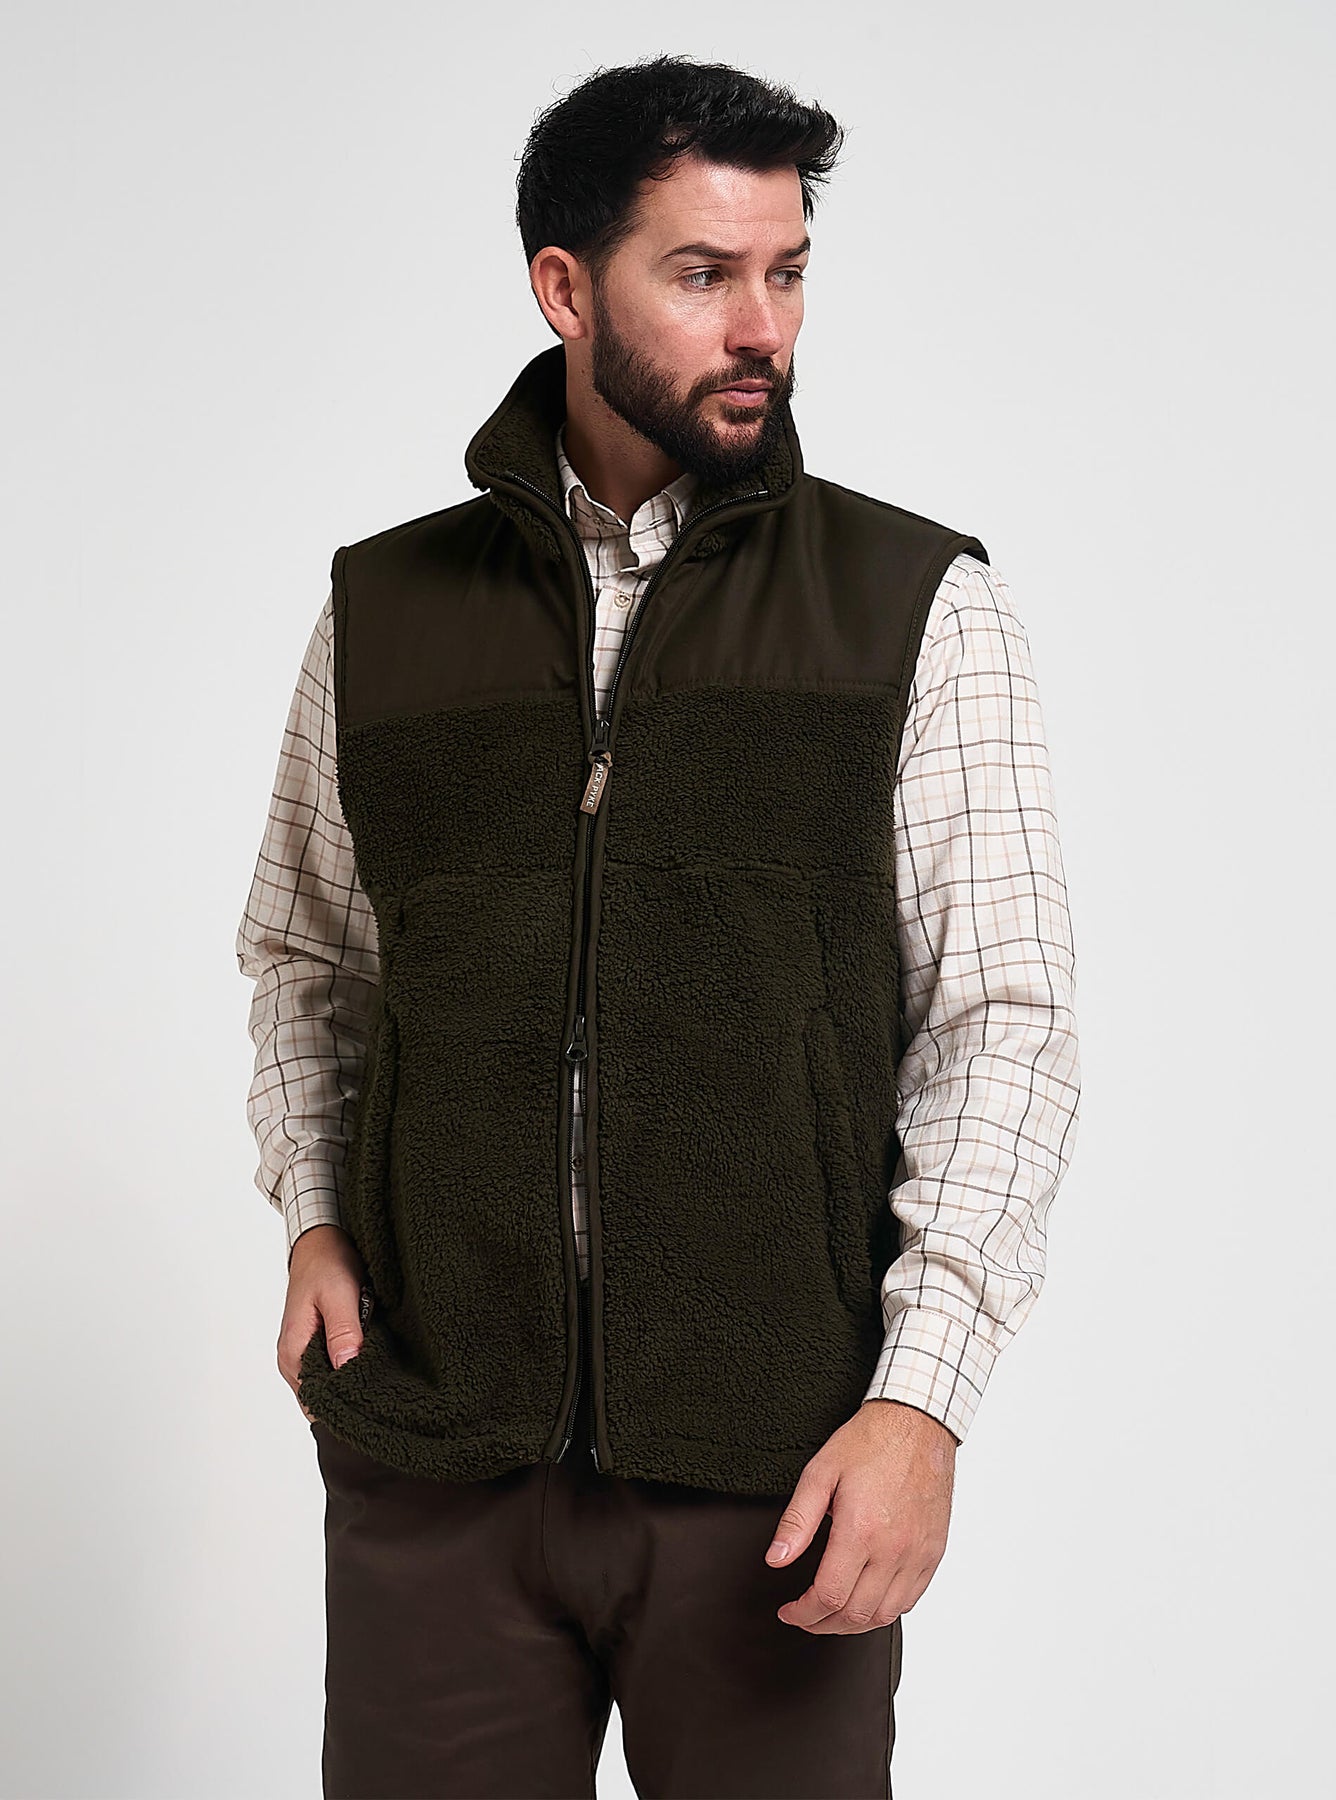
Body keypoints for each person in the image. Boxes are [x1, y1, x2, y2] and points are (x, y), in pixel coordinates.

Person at [236, 53, 1081, 1800]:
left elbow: (1003, 1024)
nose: (762, 325)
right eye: (703, 275)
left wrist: (920, 1401)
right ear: (566, 290)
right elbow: (314, 959)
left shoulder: (913, 606)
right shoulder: (385, 610)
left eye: (787, 272)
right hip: (438, 1459)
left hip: (777, 1477)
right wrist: (316, 1211)